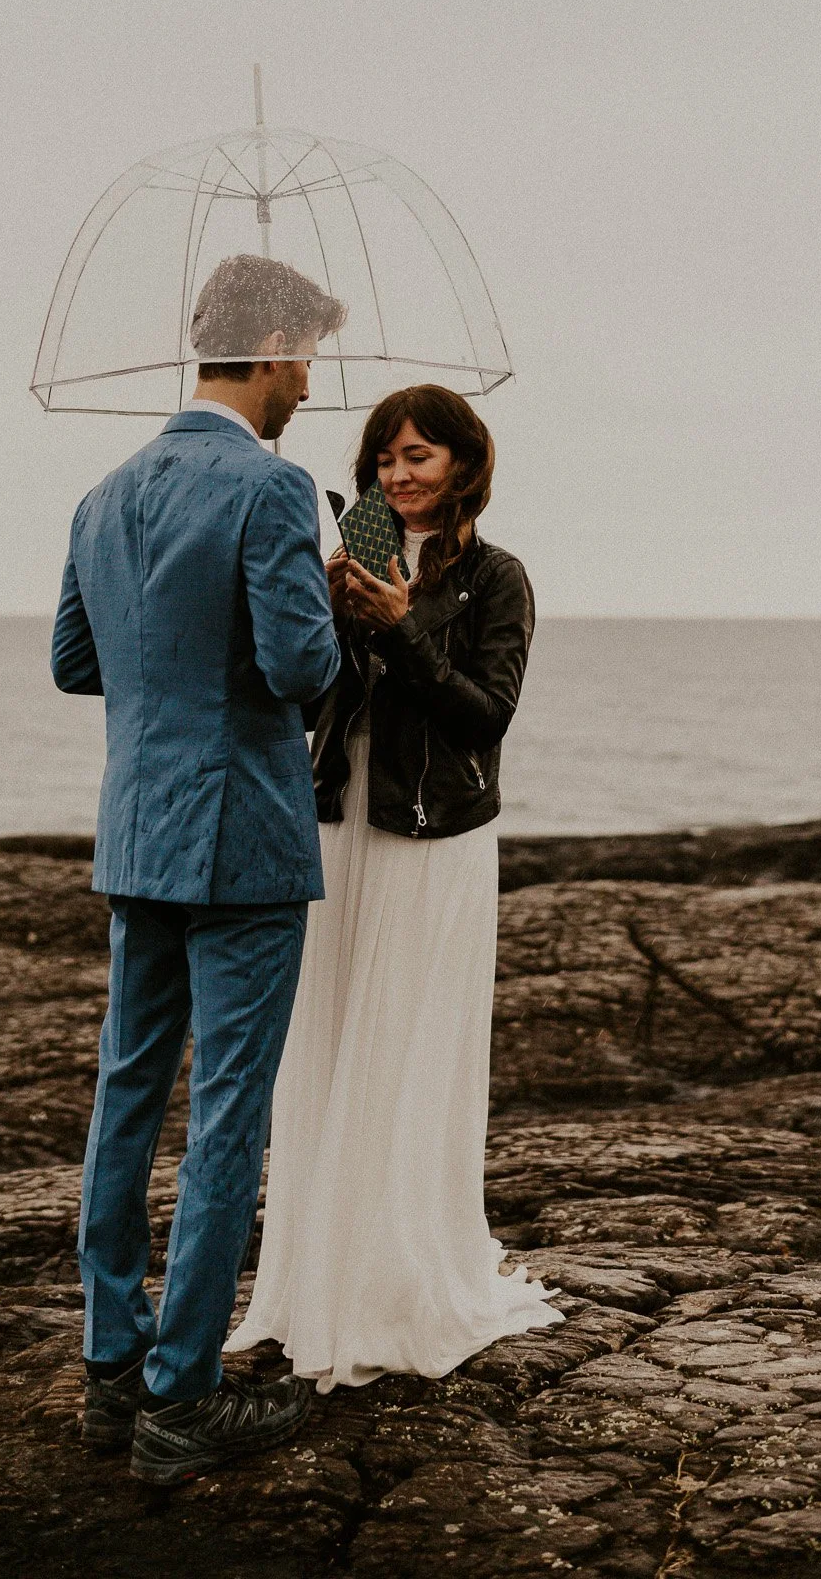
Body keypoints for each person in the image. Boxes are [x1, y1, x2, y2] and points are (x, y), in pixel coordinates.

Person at [51, 253, 346, 1484]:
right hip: (243, 841)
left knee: (127, 1092)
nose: (308, 383)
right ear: (272, 343)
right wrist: (327, 601)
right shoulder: (272, 490)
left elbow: (77, 662)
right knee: (227, 1110)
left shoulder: (103, 493)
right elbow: (297, 669)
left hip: (137, 829)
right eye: (308, 356)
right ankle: (183, 1395)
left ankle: (109, 1368)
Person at [228, 384, 562, 1391]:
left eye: (417, 455)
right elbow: (304, 705)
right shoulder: (349, 560)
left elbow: (482, 718)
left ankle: (399, 1279)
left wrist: (403, 624)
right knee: (326, 1043)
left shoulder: (497, 578)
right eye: (383, 458)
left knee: (410, 1046)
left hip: (433, 833)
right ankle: (313, 1279)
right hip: (338, 824)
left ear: (465, 463)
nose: (396, 473)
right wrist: (324, 617)